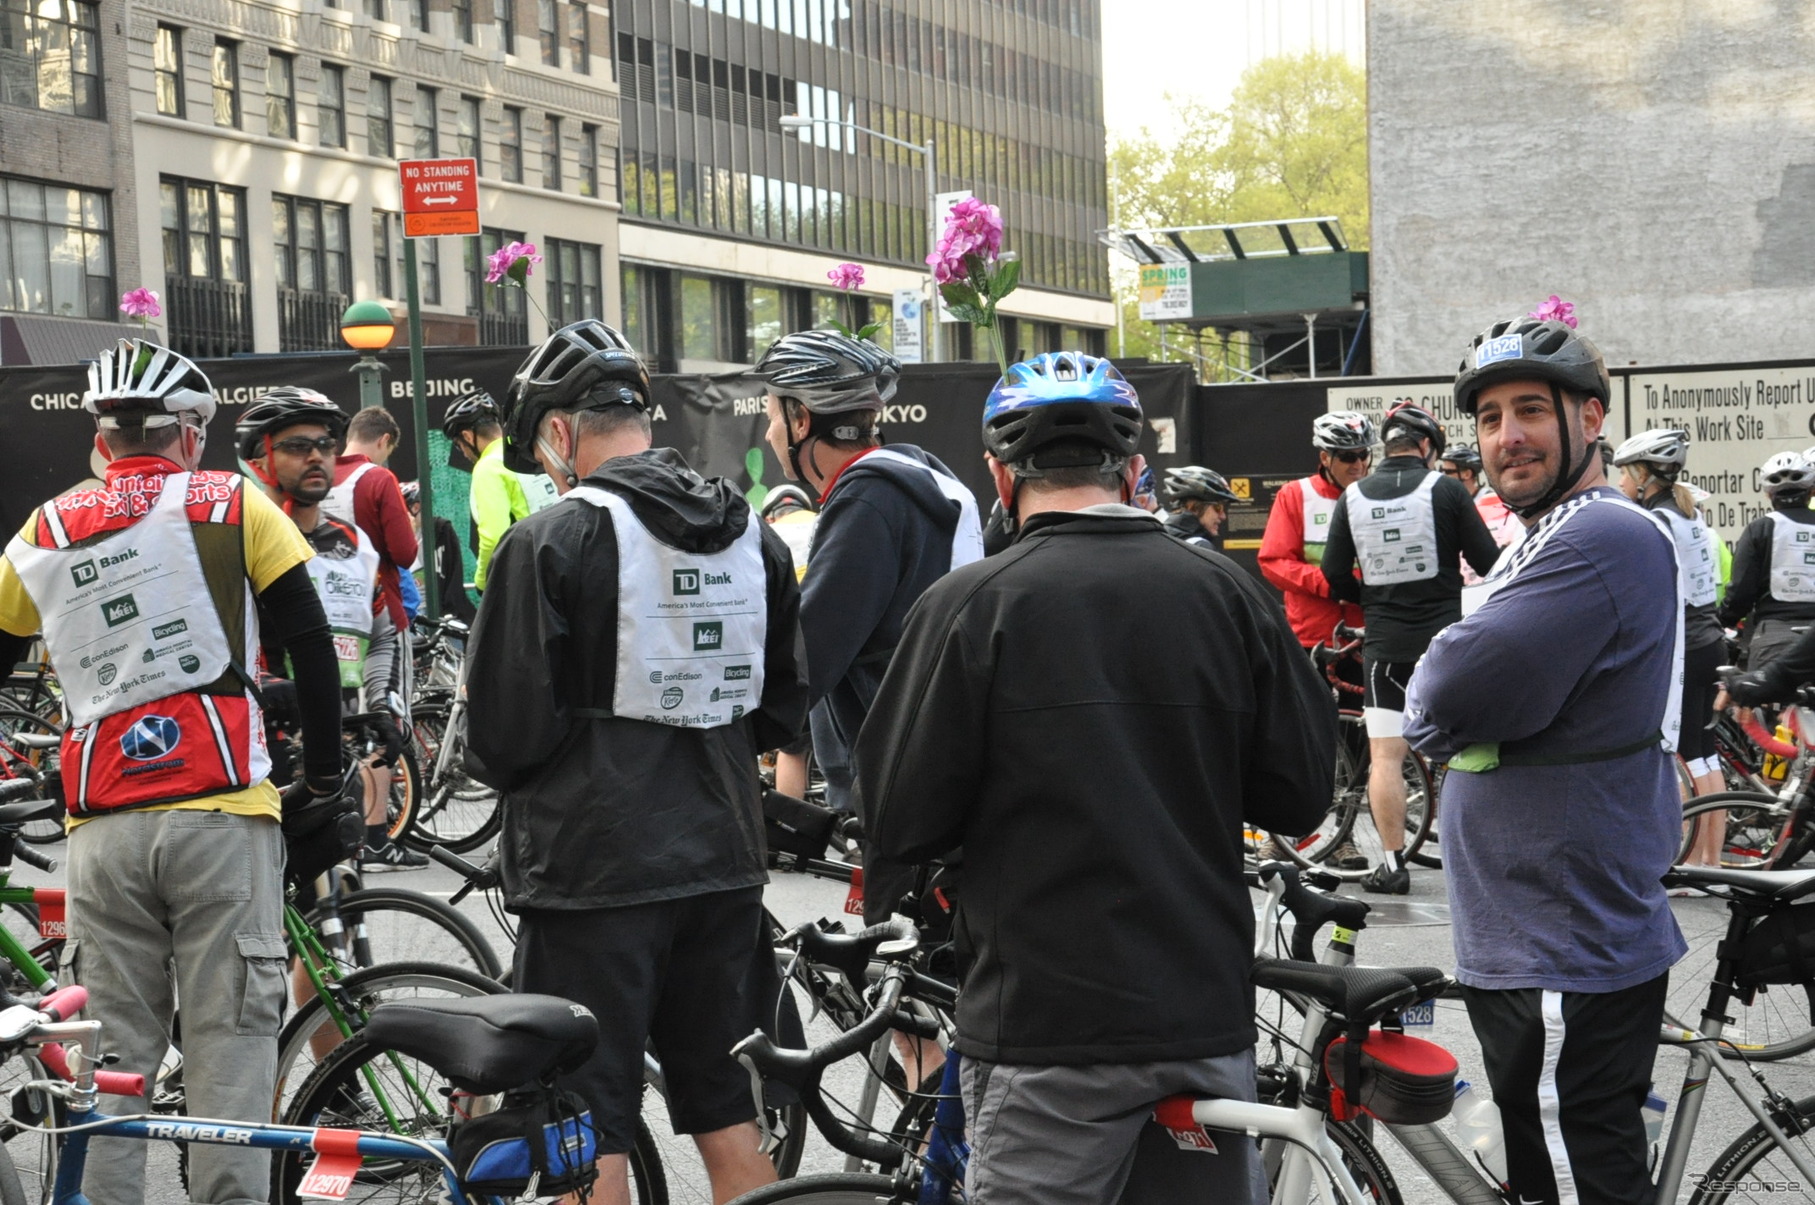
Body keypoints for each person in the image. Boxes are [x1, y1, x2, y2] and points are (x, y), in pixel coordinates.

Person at [857, 351, 1334, 1205]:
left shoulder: (968, 605)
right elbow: (1299, 796)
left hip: (1043, 1025)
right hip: (1197, 1008)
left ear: (1000, 476)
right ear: (1136, 471)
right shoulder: (1226, 592)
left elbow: (897, 817)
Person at [462, 319, 809, 1205]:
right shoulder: (751, 536)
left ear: (558, 432)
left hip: (593, 872)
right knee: (726, 1110)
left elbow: (502, 737)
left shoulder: (550, 540)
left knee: (581, 1125)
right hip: (723, 861)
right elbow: (778, 708)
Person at [0, 339, 346, 1205]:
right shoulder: (233, 501)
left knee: (112, 1057)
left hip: (101, 822)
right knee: (230, 1049)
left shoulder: (44, 526)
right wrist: (332, 773)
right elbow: (309, 641)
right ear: (188, 432)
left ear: (100, 435)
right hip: (222, 810)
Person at [1403, 312, 1685, 1205]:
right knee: (1550, 1166)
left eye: (1530, 409)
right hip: (1539, 927)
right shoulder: (1546, 531)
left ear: (1591, 419)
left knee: (1570, 1179)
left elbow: (1448, 688)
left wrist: (1431, 692)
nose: (1506, 436)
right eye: (1487, 418)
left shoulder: (1599, 535)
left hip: (1561, 936)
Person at [754, 329, 982, 815]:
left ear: (800, 419)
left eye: (773, 415)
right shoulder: (929, 480)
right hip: (942, 757)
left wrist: (732, 731)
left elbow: (809, 653)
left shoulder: (868, 501)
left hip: (892, 780)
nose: (770, 433)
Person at [239, 392, 428, 873]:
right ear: (258, 458)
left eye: (325, 443)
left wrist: (379, 704)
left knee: (335, 904)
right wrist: (266, 687)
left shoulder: (355, 544)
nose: (318, 455)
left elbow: (382, 633)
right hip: (264, 754)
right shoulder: (240, 541)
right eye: (298, 445)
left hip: (335, 746)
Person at [1320, 402, 1500, 894]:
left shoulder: (1352, 496)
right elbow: (1488, 560)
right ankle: (1479, 865)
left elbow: (1333, 573)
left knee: (1385, 758)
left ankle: (1394, 864)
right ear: (1426, 447)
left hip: (1386, 648)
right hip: (1446, 644)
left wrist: (1372, 602)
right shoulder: (1446, 489)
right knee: (1468, 752)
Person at [1612, 430, 1727, 831]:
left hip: (1685, 648)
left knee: (1679, 756)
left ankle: (1690, 857)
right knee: (1704, 754)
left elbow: (1647, 594)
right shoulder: (1689, 513)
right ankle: (1710, 861)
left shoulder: (1655, 520)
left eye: (1625, 473)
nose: (1621, 482)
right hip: (1711, 642)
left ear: (1644, 474)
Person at [1257, 411, 1372, 650]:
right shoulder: (1295, 495)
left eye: (1364, 454)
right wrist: (1329, 585)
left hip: (1371, 631)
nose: (1359, 465)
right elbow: (1274, 562)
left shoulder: (1377, 493)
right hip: (1316, 637)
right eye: (1349, 457)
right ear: (1325, 457)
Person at [443, 389, 560, 593]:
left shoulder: (488, 466)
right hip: (563, 563)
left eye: (458, 446)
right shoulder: (528, 450)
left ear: (467, 436)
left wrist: (482, 582)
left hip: (531, 575)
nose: (463, 453)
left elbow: (494, 536)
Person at [1719, 450, 1815, 671]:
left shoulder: (1760, 529)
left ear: (1769, 495)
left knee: (1763, 700)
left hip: (1775, 637)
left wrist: (1724, 620)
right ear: (1811, 491)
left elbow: (1741, 592)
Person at [400, 480, 478, 625]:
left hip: (439, 610)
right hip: (409, 611)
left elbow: (453, 575)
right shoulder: (393, 537)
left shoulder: (440, 530)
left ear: (416, 507)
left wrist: (449, 610)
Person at [1159, 465, 1240, 549]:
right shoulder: (1200, 546)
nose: (1223, 516)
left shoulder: (1161, 538)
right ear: (1194, 506)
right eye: (1218, 508)